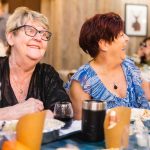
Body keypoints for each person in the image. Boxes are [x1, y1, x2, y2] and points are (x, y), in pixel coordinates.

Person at [65, 12, 150, 120]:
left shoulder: (129, 66)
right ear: (104, 44)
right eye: (121, 35)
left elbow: (144, 106)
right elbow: (82, 127)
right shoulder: (82, 82)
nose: (127, 38)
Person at [0, 7, 70, 120]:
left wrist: (39, 116)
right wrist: (14, 111)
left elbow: (64, 112)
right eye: (30, 31)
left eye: (43, 34)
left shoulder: (47, 74)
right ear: (11, 37)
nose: (38, 38)